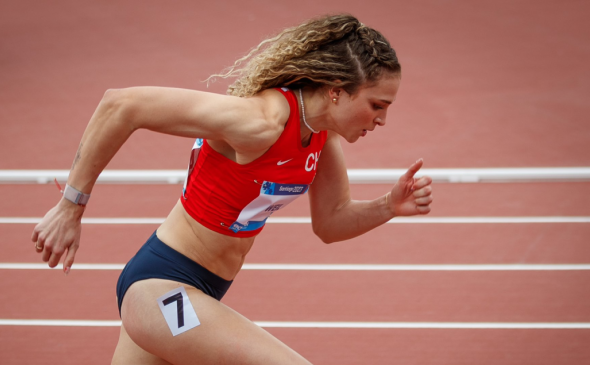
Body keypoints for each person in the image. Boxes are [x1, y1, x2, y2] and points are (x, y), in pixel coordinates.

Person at [31, 13, 433, 365]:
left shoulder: (321, 136)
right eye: (377, 105)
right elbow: (121, 105)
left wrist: (388, 206)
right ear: (336, 90)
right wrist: (71, 206)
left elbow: (330, 223)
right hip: (162, 288)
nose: (382, 120)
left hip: (202, 293)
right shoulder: (261, 121)